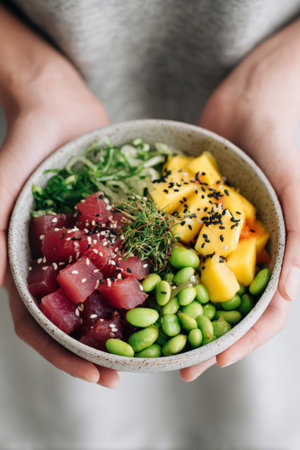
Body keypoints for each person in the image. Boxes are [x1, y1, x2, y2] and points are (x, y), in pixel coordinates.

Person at [0, 2, 300, 444]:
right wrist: (33, 80)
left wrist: (270, 84)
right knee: (78, 421)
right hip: (34, 103)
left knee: (253, 404)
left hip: (279, 97)